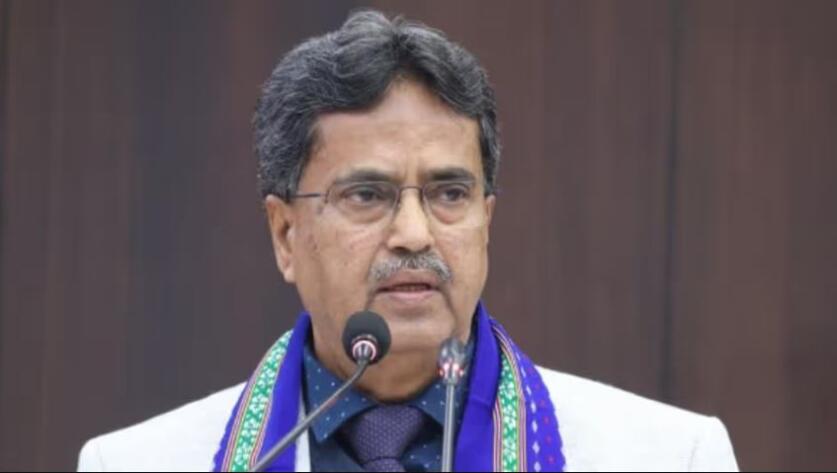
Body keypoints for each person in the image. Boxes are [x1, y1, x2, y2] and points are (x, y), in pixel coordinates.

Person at [78, 10, 738, 472]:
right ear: (285, 234)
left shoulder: (670, 457)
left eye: (449, 194)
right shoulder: (133, 463)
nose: (415, 234)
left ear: (486, 221)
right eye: (367, 195)